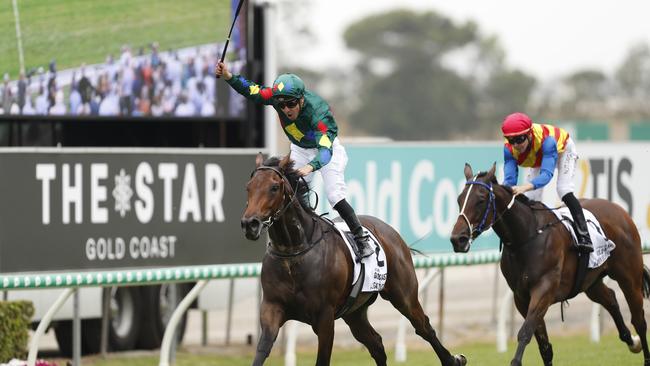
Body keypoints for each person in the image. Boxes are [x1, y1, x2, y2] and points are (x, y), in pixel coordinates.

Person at [215, 61, 374, 259]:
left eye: (291, 104)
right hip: (299, 148)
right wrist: (229, 76)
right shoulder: (277, 99)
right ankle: (299, 236)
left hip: (326, 150)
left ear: (301, 100)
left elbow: (325, 151)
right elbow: (253, 91)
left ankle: (361, 238)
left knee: (334, 195)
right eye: (281, 105)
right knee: (291, 189)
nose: (286, 110)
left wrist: (311, 166)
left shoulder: (320, 114)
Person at [501, 112, 593, 253]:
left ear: (530, 134)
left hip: (563, 150)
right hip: (538, 155)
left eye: (519, 139)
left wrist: (525, 187)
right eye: (511, 140)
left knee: (563, 190)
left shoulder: (548, 141)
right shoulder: (509, 149)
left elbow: (546, 175)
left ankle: (584, 236)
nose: (516, 145)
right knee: (531, 199)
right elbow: (509, 181)